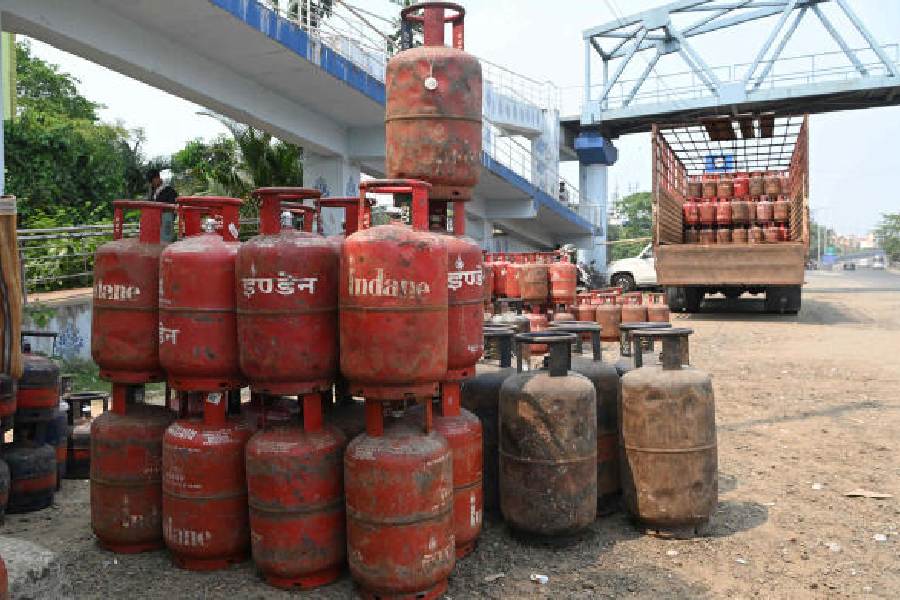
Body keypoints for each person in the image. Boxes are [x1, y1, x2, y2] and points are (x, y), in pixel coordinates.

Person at [147, 168, 177, 242]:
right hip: (155, 223)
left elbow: (173, 207)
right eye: (150, 182)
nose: (152, 183)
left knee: (165, 242)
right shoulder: (153, 193)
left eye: (152, 180)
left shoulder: (169, 191)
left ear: (158, 178)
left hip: (166, 221)